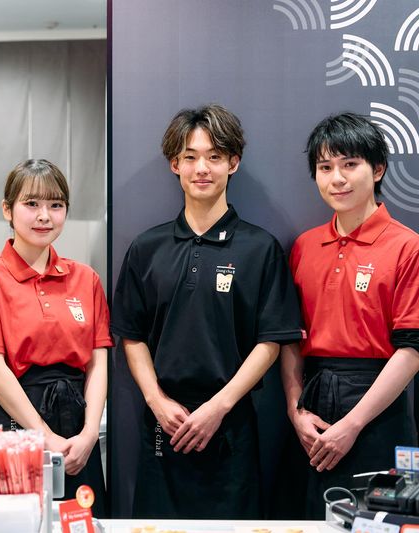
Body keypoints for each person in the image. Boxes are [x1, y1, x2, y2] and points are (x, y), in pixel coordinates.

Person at [111, 104, 303, 519]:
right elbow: (132, 335)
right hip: (163, 424)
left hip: (231, 424)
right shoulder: (146, 248)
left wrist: (219, 407)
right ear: (174, 164)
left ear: (233, 163)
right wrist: (157, 401)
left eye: (214, 156)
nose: (202, 168)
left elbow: (271, 341)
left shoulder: (261, 249)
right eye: (190, 157)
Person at [280, 112, 419, 518]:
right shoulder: (304, 246)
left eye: (350, 164)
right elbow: (290, 339)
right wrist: (295, 411)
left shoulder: (409, 248)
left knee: (376, 519)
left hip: (378, 408)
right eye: (325, 167)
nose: (337, 178)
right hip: (313, 405)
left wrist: (352, 424)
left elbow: (414, 349)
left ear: (378, 169)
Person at [0, 159, 111, 516]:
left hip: (76, 427)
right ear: (7, 209)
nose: (44, 216)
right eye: (31, 204)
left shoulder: (85, 278)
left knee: (81, 520)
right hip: (14, 424)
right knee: (17, 520)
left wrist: (90, 433)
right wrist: (44, 436)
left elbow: (98, 362)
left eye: (56, 205)